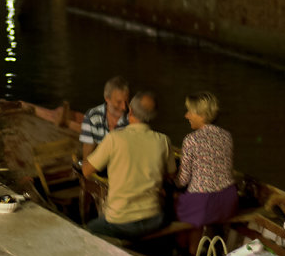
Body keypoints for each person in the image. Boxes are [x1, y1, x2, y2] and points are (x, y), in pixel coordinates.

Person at [83, 91, 177, 240]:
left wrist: (89, 150)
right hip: (155, 219)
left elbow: (86, 171)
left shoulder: (114, 138)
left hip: (120, 222)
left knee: (89, 229)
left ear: (130, 111)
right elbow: (171, 174)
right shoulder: (163, 140)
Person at [175, 92, 237, 227]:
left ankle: (189, 247)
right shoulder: (227, 136)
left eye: (190, 112)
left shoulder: (191, 140)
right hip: (228, 201)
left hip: (204, 204)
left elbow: (183, 180)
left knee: (175, 203)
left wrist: (171, 181)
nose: (186, 115)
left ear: (202, 115)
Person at [80, 76, 131, 158]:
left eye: (126, 101)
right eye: (118, 102)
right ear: (107, 99)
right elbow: (87, 157)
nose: (124, 107)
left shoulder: (134, 119)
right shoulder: (92, 117)